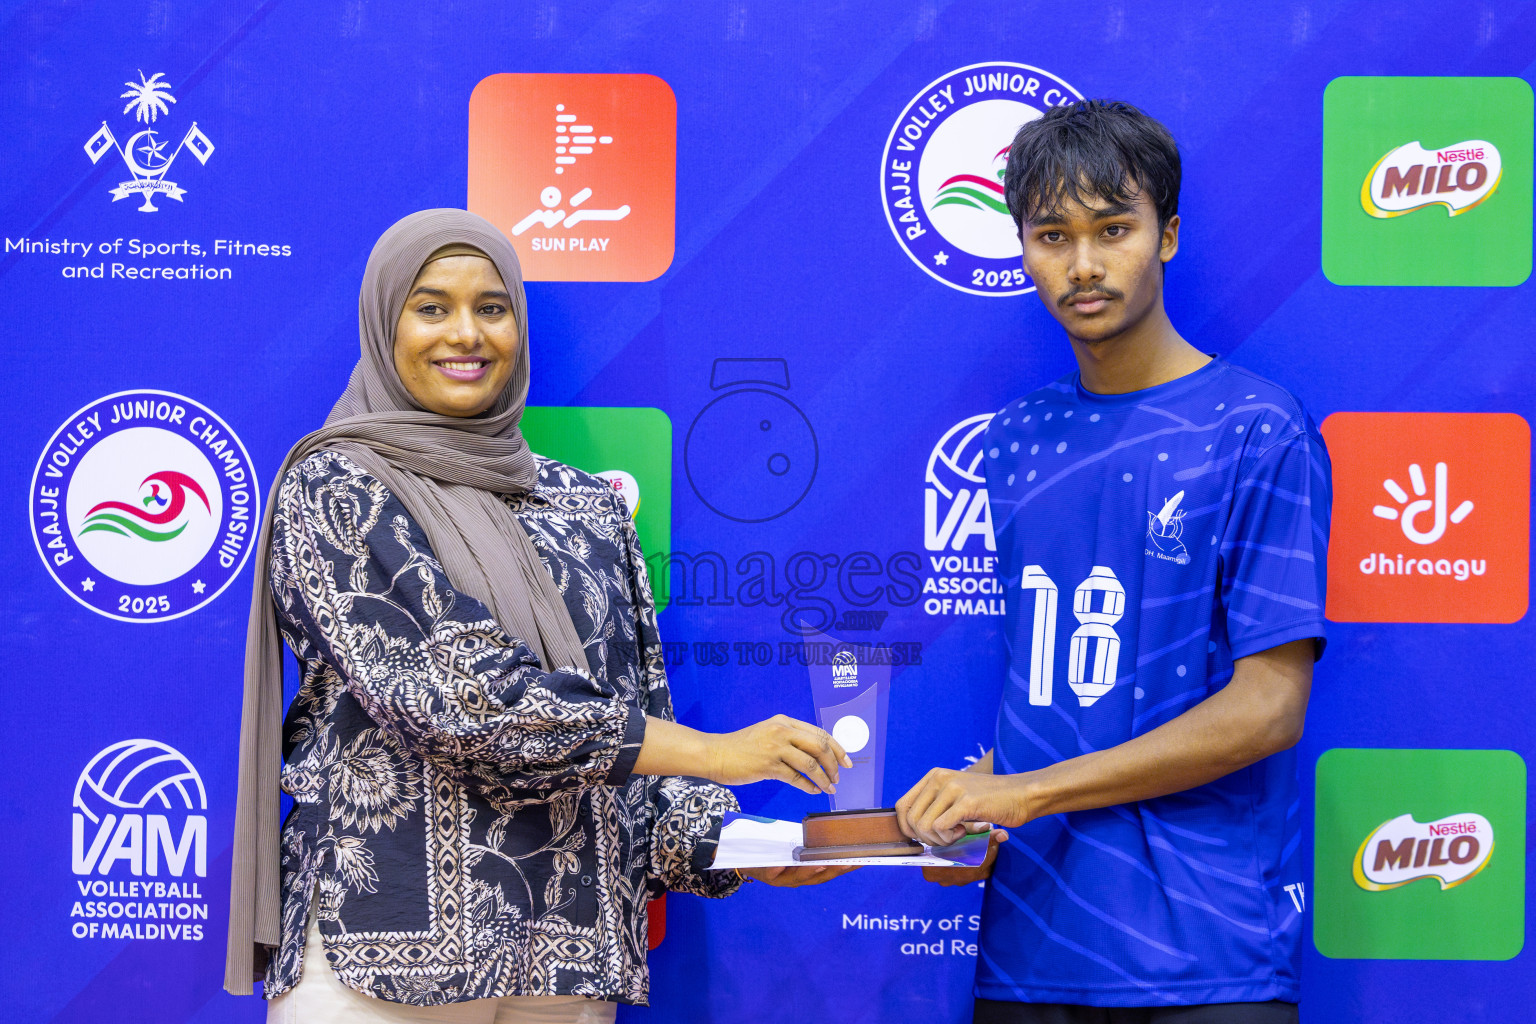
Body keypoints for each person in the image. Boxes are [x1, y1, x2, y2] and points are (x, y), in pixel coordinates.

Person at [226, 208, 851, 1024]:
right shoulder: (338, 485)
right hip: (388, 962)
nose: (467, 333)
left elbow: (636, 739)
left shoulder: (584, 506)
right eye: (431, 306)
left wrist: (739, 850)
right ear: (384, 324)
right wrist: (718, 753)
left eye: (492, 307)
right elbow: (463, 701)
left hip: (567, 956)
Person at [895, 101, 1330, 1024]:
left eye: (1114, 230)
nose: (1083, 266)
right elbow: (1057, 682)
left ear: (1167, 235)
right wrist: (974, 803)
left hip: (1206, 955)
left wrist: (1024, 790)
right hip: (1029, 941)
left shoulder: (1256, 427)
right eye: (1053, 235)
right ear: (1021, 247)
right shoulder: (1012, 440)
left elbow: (1269, 708)